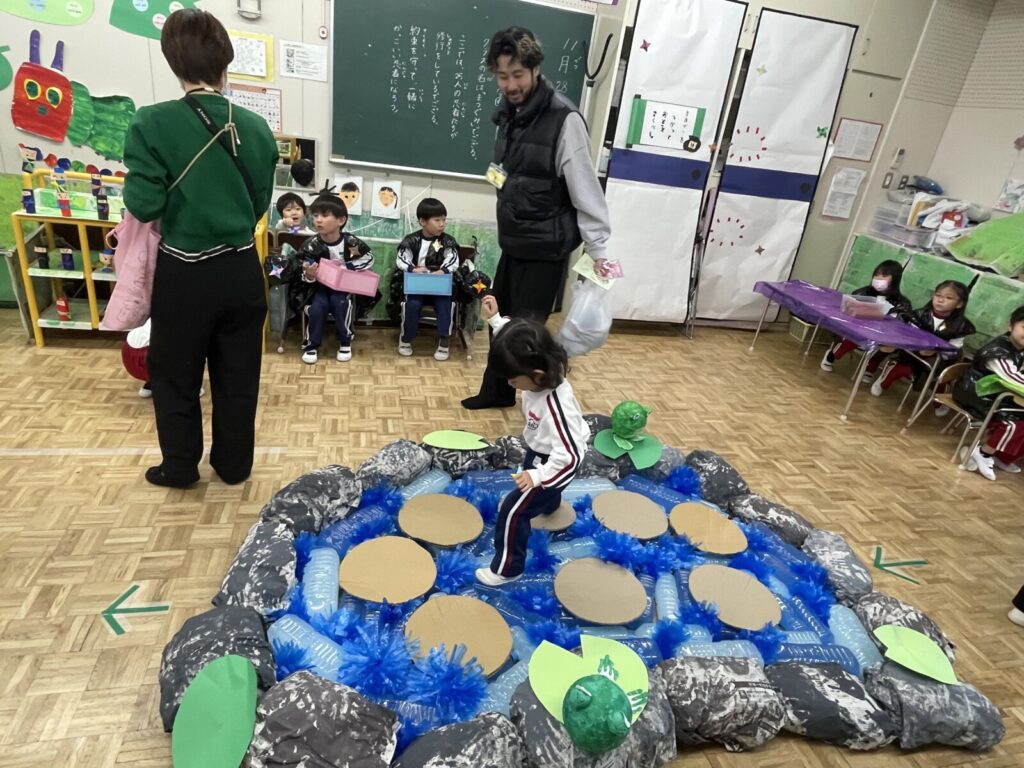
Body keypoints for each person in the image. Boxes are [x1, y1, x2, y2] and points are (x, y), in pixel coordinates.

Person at [123, 8, 277, 489]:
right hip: (241, 269)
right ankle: (234, 465)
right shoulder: (257, 127)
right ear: (225, 60)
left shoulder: (151, 122)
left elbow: (145, 204)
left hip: (185, 271)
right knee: (239, 376)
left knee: (175, 376)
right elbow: (258, 205)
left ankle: (180, 466)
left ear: (172, 60)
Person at [462, 27, 611, 411]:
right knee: (499, 317)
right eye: (502, 76)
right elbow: (507, 171)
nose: (510, 85)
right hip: (515, 239)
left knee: (527, 334)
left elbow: (585, 189)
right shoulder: (509, 115)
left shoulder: (564, 119)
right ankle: (497, 392)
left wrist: (598, 250)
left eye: (517, 75)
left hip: (546, 247)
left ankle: (546, 406)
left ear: (535, 68)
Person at [475, 295, 590, 586]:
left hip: (557, 461)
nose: (510, 384)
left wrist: (539, 476)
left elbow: (570, 458)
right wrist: (496, 320)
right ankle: (549, 505)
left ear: (536, 376)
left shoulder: (556, 409)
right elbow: (516, 337)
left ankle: (508, 569)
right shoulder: (539, 366)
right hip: (541, 449)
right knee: (536, 483)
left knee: (512, 511)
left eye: (514, 380)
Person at [298, 192, 374, 364]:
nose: (318, 220)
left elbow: (368, 259)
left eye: (325, 215)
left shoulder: (350, 243)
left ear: (341, 220)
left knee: (341, 303)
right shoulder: (311, 245)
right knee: (317, 308)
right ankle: (311, 344)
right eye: (315, 215)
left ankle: (345, 341)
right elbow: (303, 271)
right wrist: (309, 275)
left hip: (343, 287)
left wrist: (347, 268)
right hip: (319, 288)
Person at [952, 305, 1024, 480]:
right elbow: (1012, 378)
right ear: (1010, 326)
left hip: (998, 394)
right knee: (1015, 421)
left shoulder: (1019, 348)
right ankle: (983, 452)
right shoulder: (997, 351)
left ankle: (1002, 456)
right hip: (975, 394)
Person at [871, 281, 974, 398]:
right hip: (911, 355)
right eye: (938, 295)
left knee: (938, 382)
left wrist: (936, 351)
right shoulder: (919, 314)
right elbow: (908, 337)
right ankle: (886, 376)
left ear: (959, 304)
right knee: (899, 371)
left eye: (948, 298)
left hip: (937, 361)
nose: (940, 300)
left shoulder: (962, 326)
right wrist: (919, 347)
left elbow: (953, 350)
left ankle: (937, 395)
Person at [821, 260, 911, 376]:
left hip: (882, 336)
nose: (878, 279)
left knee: (889, 345)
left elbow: (901, 326)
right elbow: (846, 312)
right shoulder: (862, 293)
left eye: (883, 276)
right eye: (876, 275)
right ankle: (833, 355)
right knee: (858, 333)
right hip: (859, 330)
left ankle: (871, 367)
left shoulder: (903, 304)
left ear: (895, 279)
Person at [395, 198, 460, 361]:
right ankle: (406, 339)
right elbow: (401, 259)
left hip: (439, 285)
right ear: (422, 221)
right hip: (417, 285)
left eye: (444, 220)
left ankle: (444, 340)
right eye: (437, 220)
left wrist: (443, 270)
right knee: (412, 305)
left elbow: (453, 259)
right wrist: (412, 269)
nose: (442, 224)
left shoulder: (447, 241)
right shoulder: (411, 240)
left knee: (445, 305)